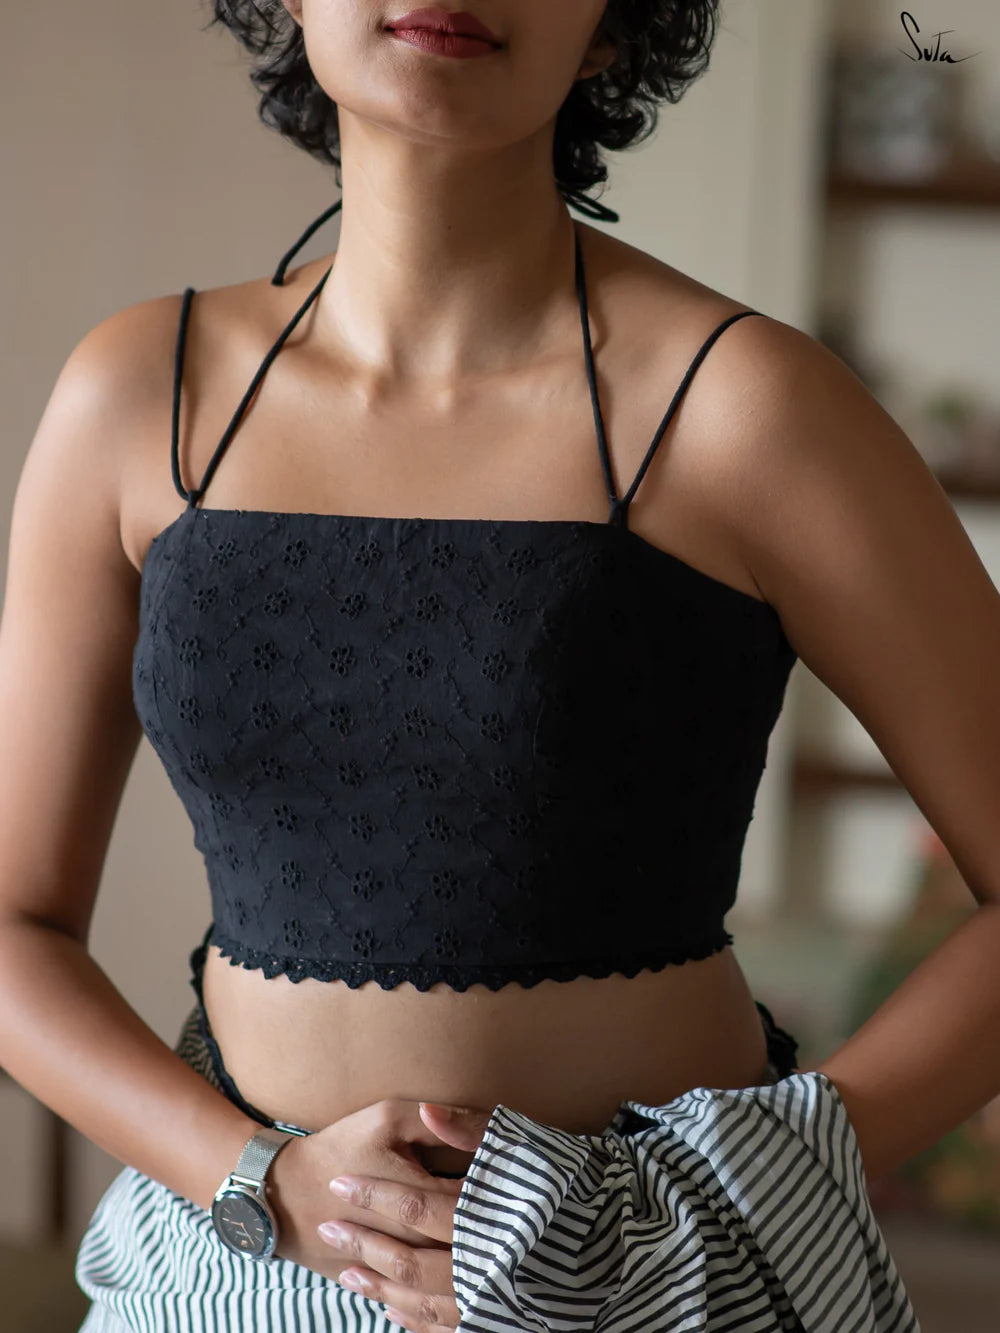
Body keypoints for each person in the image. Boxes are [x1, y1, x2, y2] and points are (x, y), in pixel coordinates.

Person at [5, 1, 999, 1330]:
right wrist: (256, 1179)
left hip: (663, 1288)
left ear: (612, 25)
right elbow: (12, 926)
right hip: (231, 1263)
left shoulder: (752, 407)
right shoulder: (140, 396)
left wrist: (744, 1192)